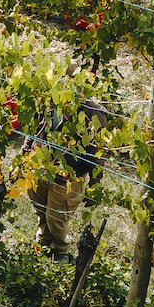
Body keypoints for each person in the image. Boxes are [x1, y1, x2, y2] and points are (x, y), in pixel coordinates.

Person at [27, 99, 108, 259]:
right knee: (41, 210)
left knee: (56, 219)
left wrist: (95, 184)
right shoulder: (46, 99)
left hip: (68, 177)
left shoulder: (92, 112)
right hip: (40, 169)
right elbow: (35, 127)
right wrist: (27, 149)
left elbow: (97, 153)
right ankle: (43, 245)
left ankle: (60, 252)